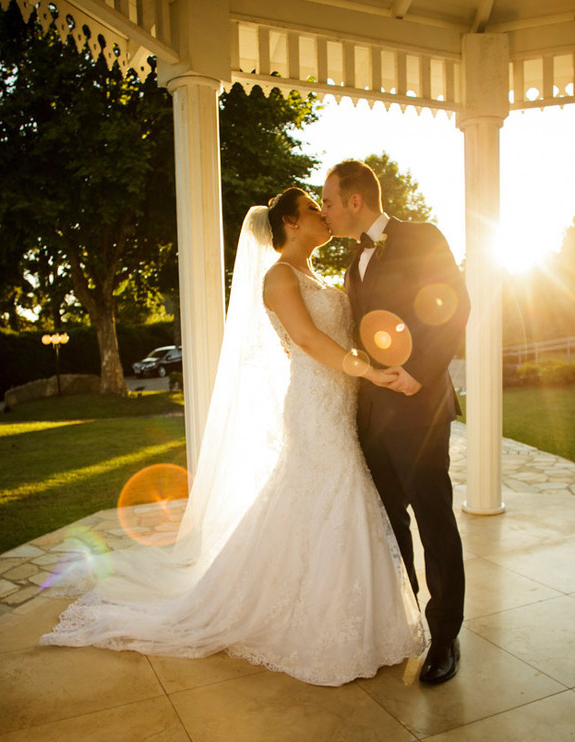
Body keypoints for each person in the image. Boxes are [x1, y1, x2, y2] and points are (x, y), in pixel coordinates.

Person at [41, 189, 426, 686]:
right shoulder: (278, 276)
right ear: (290, 221)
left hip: (340, 400)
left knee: (321, 503)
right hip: (315, 407)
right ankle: (316, 623)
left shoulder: (318, 276)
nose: (324, 215)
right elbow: (307, 341)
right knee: (334, 493)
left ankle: (349, 614)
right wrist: (370, 373)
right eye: (314, 209)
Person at [321, 160, 470, 684]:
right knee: (387, 522)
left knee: (434, 518)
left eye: (330, 200)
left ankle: (446, 637)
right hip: (370, 413)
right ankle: (405, 621)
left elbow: (454, 306)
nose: (325, 210)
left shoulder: (422, 236)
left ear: (356, 201)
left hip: (418, 408)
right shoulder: (353, 259)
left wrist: (419, 373)